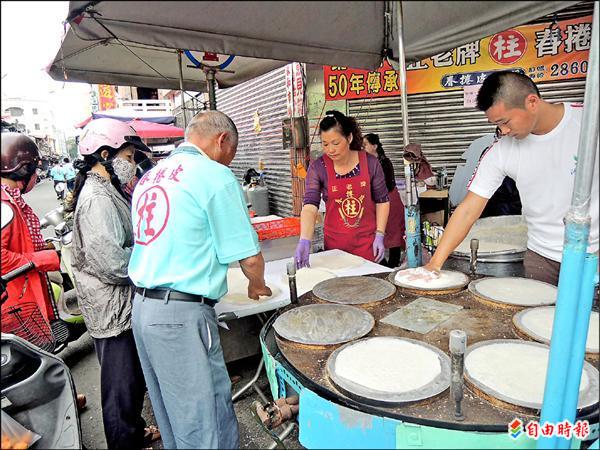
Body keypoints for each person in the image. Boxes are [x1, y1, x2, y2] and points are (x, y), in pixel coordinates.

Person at [128, 111, 272, 449]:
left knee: (173, 413)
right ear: (222, 141)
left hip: (143, 309)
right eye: (231, 153)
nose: (229, 162)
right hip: (180, 316)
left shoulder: (151, 176)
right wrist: (257, 284)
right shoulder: (214, 175)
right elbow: (250, 257)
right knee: (203, 419)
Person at [421, 71, 598, 286]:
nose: (503, 131)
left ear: (531, 102)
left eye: (505, 121)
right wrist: (435, 264)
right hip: (541, 257)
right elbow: (468, 210)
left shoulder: (589, 124)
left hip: (593, 254)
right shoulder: (501, 151)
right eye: (497, 125)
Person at [67, 118, 160, 449]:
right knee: (120, 387)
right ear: (105, 153)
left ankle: (134, 433)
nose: (132, 164)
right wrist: (152, 262)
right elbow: (112, 264)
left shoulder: (107, 189)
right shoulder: (96, 198)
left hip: (119, 305)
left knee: (131, 382)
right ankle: (125, 442)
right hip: (111, 309)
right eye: (129, 156)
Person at [295, 110, 390, 268]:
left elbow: (382, 201)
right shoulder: (318, 167)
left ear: (349, 138)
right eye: (325, 144)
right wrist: (304, 239)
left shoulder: (371, 163)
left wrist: (380, 234)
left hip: (367, 244)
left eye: (335, 143)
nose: (330, 150)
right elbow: (310, 205)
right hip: (335, 248)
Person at [1, 133, 61, 326]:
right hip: (14, 303)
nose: (37, 175)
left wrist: (45, 248)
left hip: (20, 294)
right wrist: (44, 259)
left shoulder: (11, 199)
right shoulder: (4, 205)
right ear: (23, 170)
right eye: (35, 169)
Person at [363, 133, 405, 267]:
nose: (362, 148)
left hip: (390, 200)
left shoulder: (384, 162)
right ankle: (382, 264)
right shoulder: (365, 163)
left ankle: (392, 264)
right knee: (373, 232)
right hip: (374, 202)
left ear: (374, 146)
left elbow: (384, 185)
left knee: (394, 233)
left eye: (365, 145)